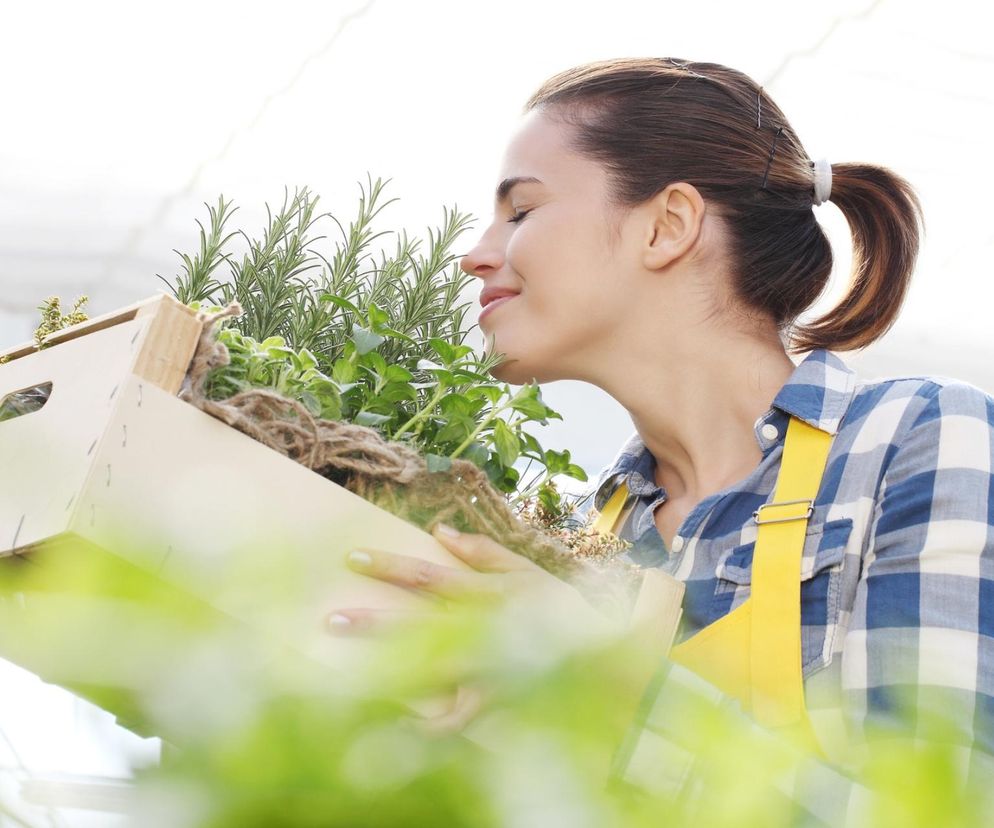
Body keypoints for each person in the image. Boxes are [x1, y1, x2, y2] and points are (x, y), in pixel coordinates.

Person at [330, 57, 994, 821]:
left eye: (520, 211)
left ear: (668, 225)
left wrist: (595, 675)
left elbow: (941, 810)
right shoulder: (585, 537)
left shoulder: (911, 442)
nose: (476, 252)